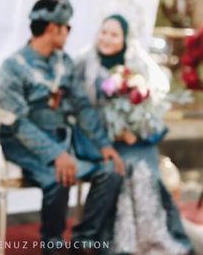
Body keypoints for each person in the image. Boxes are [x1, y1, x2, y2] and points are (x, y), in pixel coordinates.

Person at [0, 0, 125, 255]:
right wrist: (57, 155)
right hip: (24, 141)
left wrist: (103, 145)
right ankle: (52, 245)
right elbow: (18, 122)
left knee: (110, 171)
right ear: (54, 28)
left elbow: (83, 107)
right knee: (58, 178)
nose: (68, 32)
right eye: (67, 27)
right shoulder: (12, 67)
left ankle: (83, 242)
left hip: (63, 138)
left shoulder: (64, 63)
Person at [74, 14, 192, 254]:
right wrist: (110, 133)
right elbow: (80, 110)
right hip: (100, 138)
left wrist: (132, 132)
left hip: (135, 139)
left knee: (143, 171)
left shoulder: (138, 66)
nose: (107, 38)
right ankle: (120, 241)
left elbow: (152, 107)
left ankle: (154, 238)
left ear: (125, 39)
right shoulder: (84, 64)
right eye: (103, 32)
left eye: (114, 34)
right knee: (121, 168)